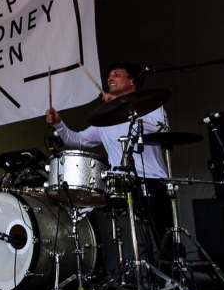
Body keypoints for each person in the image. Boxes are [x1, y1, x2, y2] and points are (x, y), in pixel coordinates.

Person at [46, 62, 171, 245]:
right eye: (109, 75)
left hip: (152, 180)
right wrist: (59, 124)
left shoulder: (152, 106)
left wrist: (123, 106)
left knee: (165, 241)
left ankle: (168, 271)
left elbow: (161, 130)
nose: (110, 78)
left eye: (117, 74)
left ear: (132, 81)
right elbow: (78, 141)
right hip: (121, 185)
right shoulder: (106, 118)